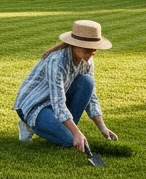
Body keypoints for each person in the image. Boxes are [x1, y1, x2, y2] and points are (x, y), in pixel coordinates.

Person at [13, 19, 118, 154]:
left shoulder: (87, 60)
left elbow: (91, 97)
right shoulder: (57, 60)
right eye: (88, 47)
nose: (93, 51)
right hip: (35, 106)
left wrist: (103, 128)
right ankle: (29, 123)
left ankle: (59, 126)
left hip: (55, 104)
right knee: (69, 140)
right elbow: (58, 102)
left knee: (87, 82)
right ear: (75, 44)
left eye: (95, 46)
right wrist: (76, 133)